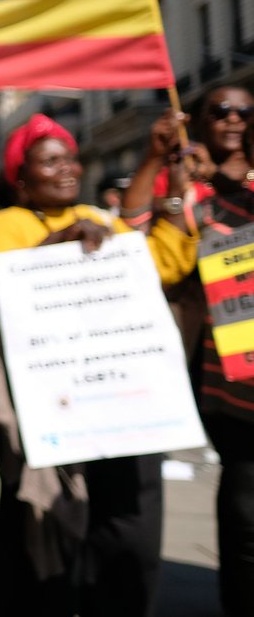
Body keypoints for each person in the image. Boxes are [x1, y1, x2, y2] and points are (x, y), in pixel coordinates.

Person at [0, 112, 197, 617]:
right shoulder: (8, 225)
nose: (68, 169)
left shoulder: (100, 216)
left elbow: (166, 263)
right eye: (51, 162)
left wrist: (171, 186)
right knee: (59, 531)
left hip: (118, 403)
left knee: (129, 532)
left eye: (71, 158)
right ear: (21, 179)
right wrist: (60, 242)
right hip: (56, 411)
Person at [125, 86, 254, 616]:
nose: (232, 119)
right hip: (230, 373)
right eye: (219, 110)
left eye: (244, 111)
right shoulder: (187, 188)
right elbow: (139, 245)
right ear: (198, 119)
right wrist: (164, 168)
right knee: (247, 500)